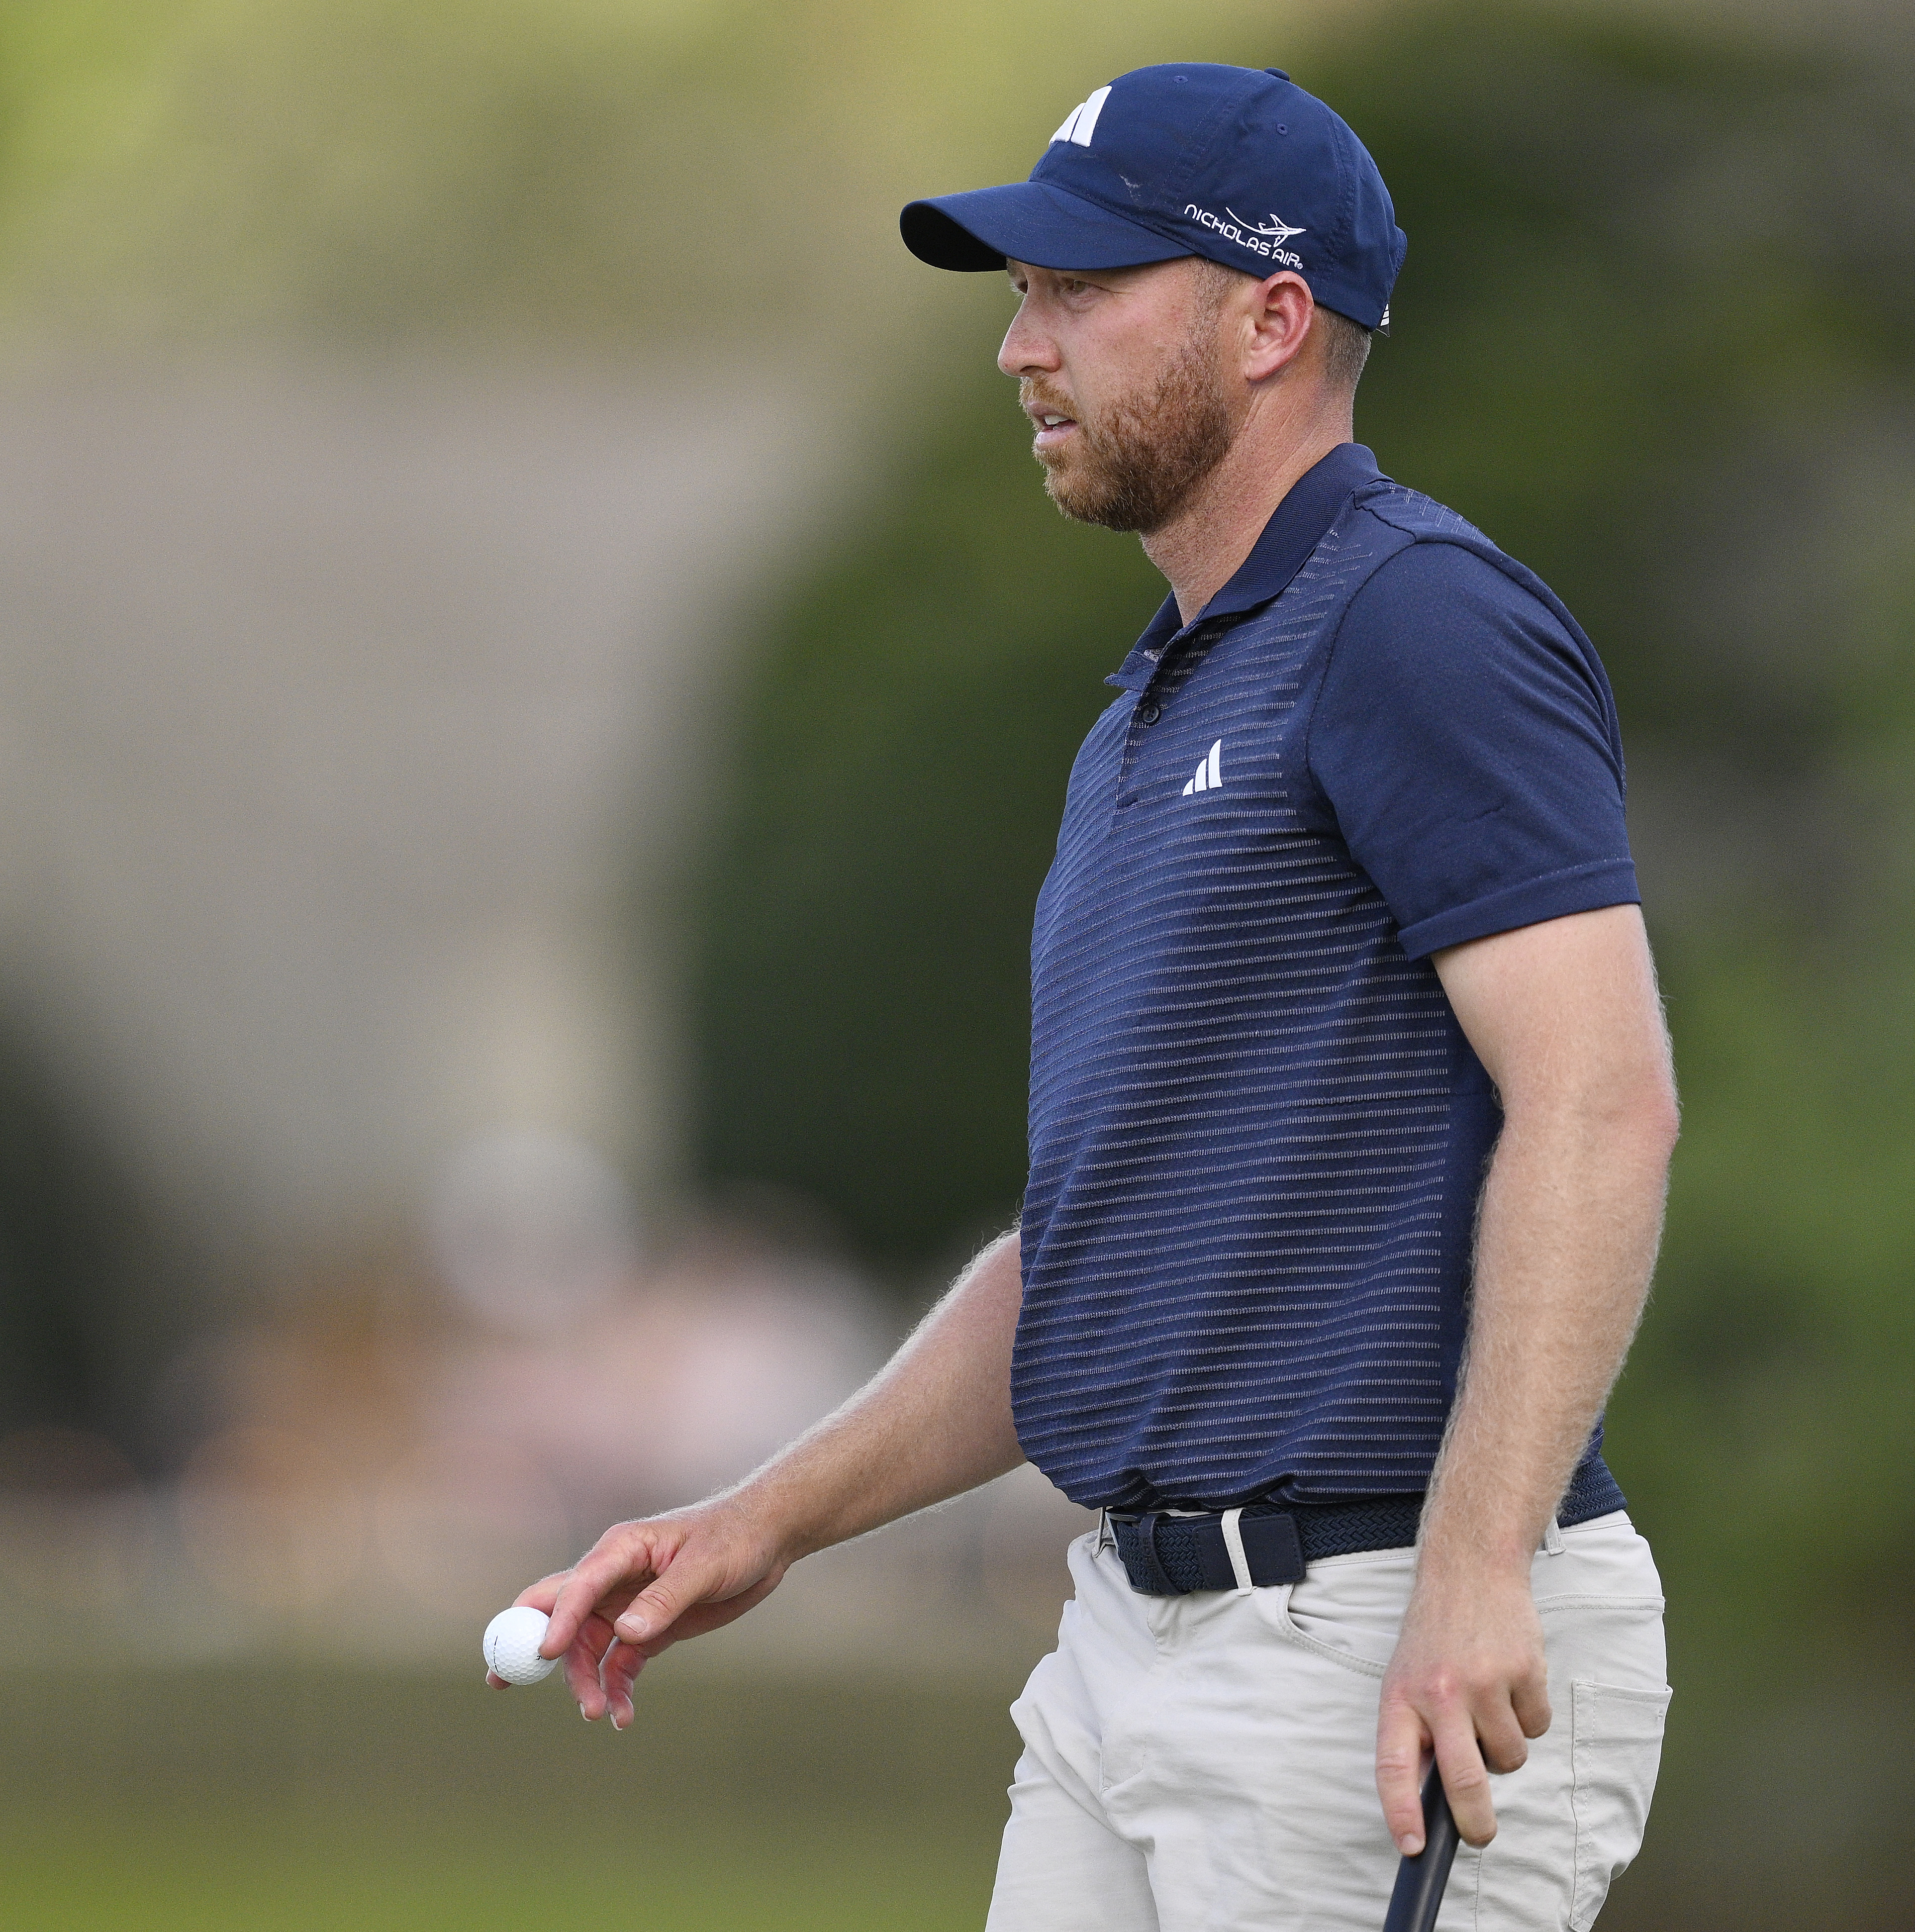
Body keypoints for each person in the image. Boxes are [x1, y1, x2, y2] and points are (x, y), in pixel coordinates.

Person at [500, 62, 1679, 1930]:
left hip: (1377, 1631)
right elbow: (1087, 1257)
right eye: (1019, 294)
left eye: (1081, 290)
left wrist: (1473, 1569)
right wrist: (759, 1519)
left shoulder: (1416, 620)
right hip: (1130, 1644)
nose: (1019, 348)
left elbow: (1600, 1100)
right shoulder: (1150, 713)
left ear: (1269, 321)